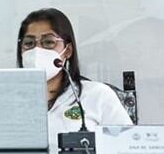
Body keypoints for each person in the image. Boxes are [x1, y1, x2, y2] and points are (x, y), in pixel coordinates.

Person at [16, 8, 132, 143]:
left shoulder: (97, 95)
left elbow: (127, 146)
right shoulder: (6, 100)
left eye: (48, 42)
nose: (37, 50)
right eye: (29, 43)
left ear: (68, 51)